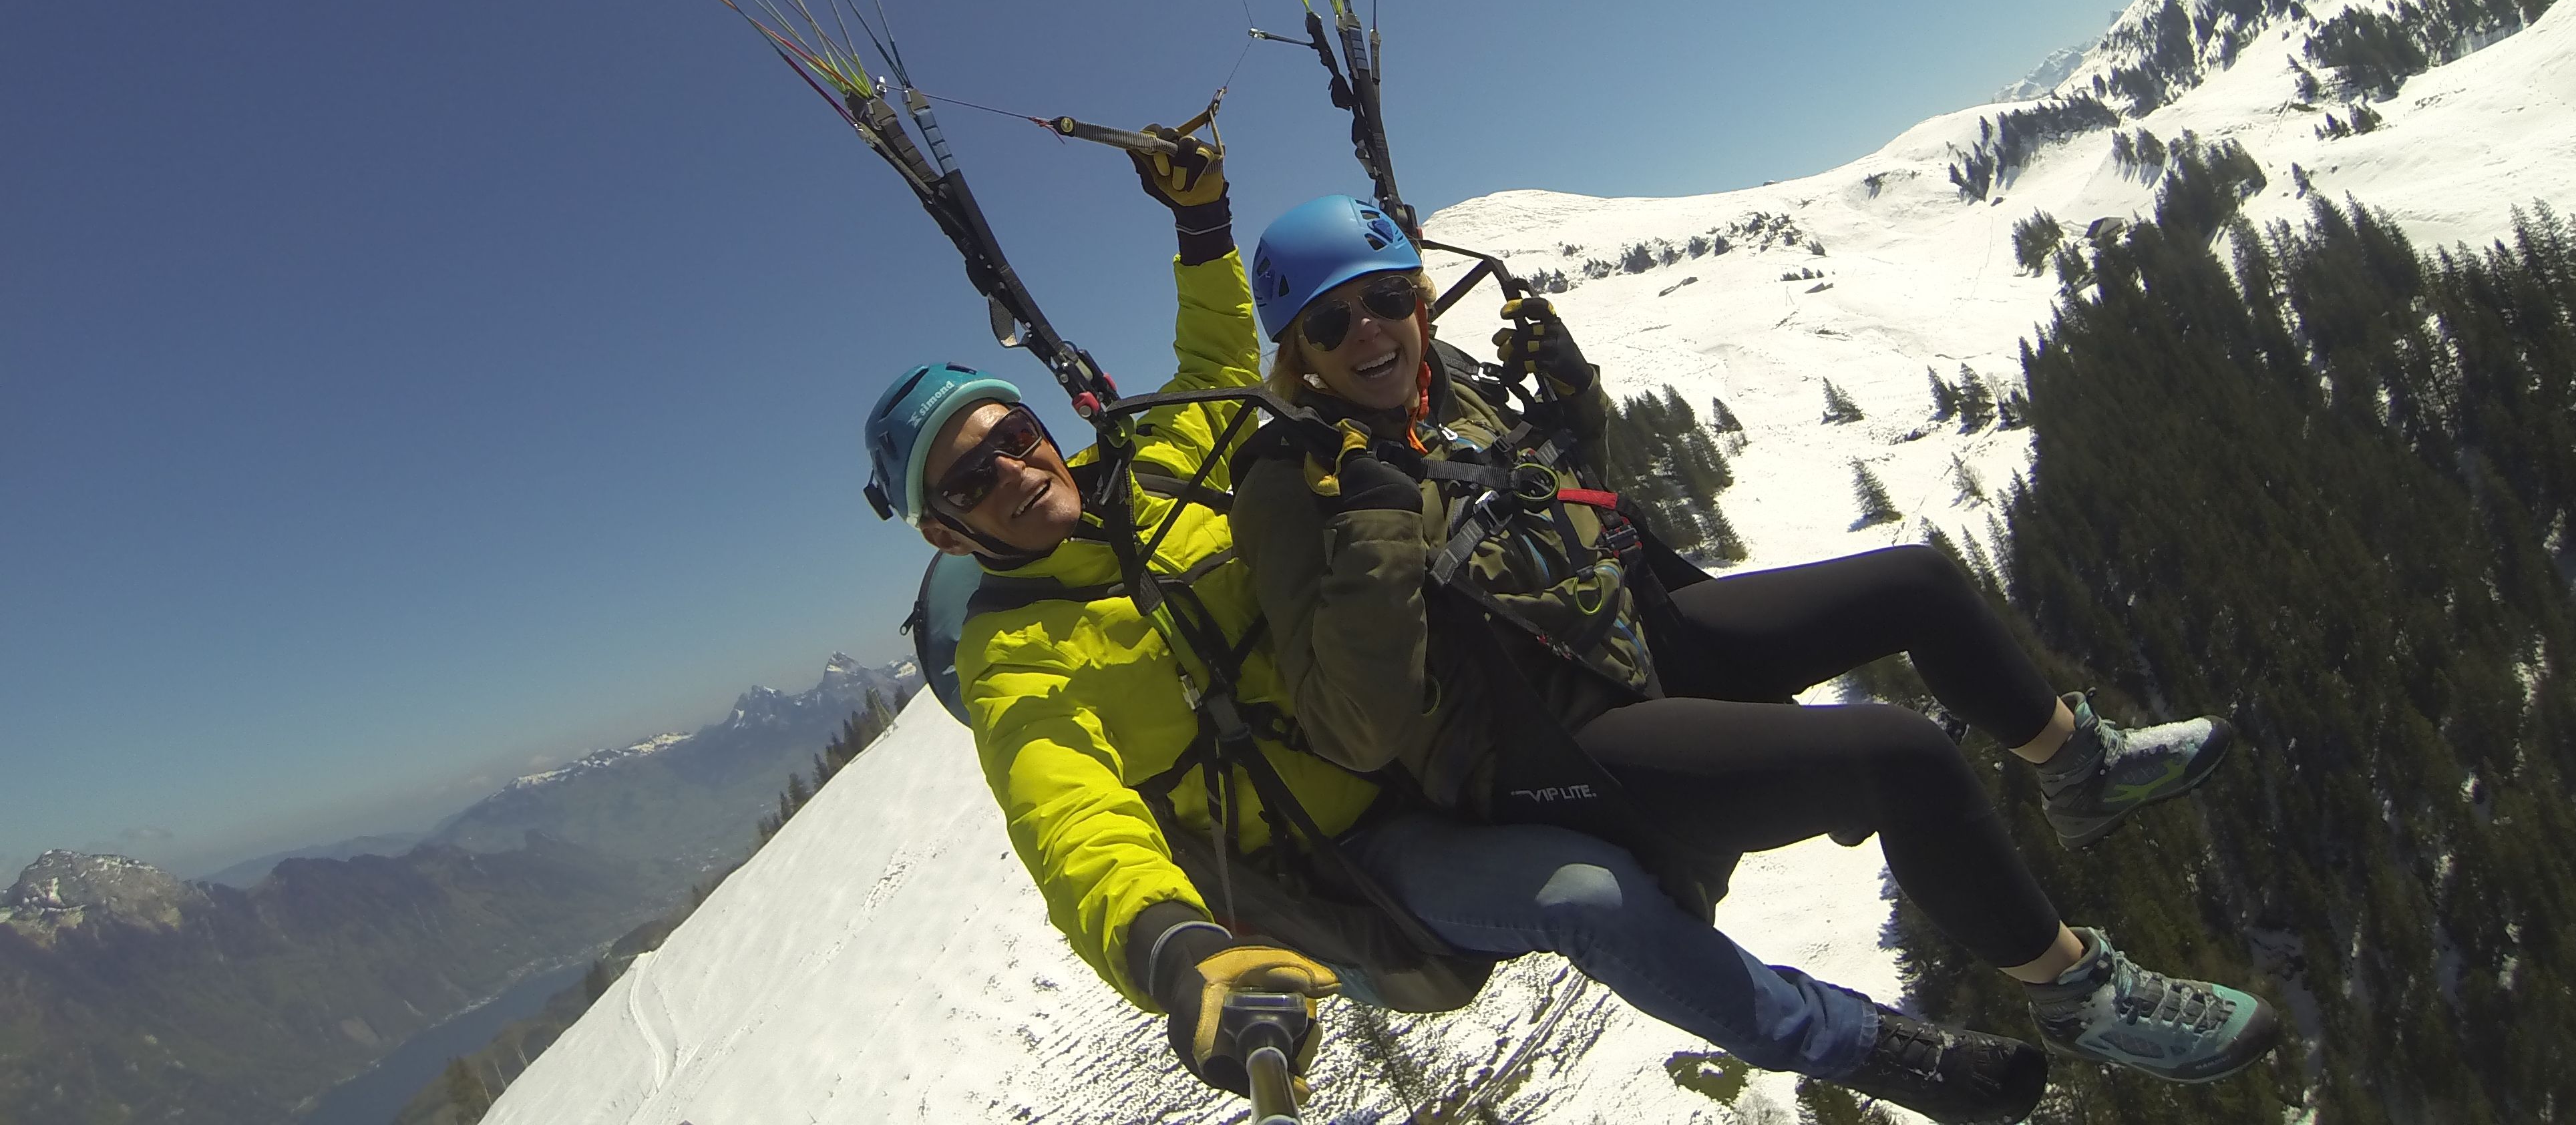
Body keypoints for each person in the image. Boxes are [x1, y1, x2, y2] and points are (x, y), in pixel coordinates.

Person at [865, 143, 2052, 1124]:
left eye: (1012, 438)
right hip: (1353, 846)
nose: (1012, 473)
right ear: (948, 536)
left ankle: (2047, 795)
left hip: (1443, 736)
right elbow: (1070, 819)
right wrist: (1173, 950)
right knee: (1587, 898)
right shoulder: (1017, 659)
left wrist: (1201, 224)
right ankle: (1859, 1046)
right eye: (971, 482)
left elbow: (1221, 354)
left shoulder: (1158, 462)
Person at [1229, 192, 2284, 1088]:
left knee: (1915, 582)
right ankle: (2077, 993)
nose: (1369, 333)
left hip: (1629, 637)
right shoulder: (1291, 484)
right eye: (1330, 325)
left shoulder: (1440, 387)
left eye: (1384, 299)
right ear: (1298, 354)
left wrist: (1572, 401)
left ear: (1417, 298)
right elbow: (1355, 729)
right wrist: (1370, 530)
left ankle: (2079, 768)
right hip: (1549, 742)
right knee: (1899, 756)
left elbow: (1561, 505)